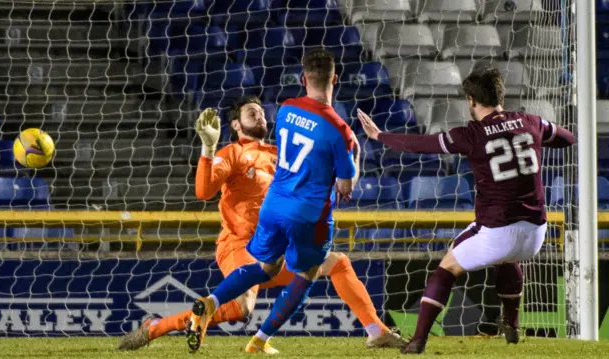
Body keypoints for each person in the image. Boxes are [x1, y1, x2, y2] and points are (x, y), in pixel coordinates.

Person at [119, 93, 403, 352]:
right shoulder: (233, 153)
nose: (260, 116)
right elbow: (204, 191)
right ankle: (155, 328)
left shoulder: (284, 155)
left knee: (338, 262)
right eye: (251, 113)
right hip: (241, 246)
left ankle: (376, 331)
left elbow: (326, 186)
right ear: (236, 125)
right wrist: (208, 147)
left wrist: (350, 160)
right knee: (243, 309)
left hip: (278, 249)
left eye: (261, 112)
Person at [356, 67, 576, 354]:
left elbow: (423, 145)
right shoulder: (530, 121)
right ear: (501, 95)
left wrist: (380, 136)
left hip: (497, 231)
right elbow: (568, 139)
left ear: (471, 100)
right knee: (509, 259)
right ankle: (511, 324)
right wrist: (536, 136)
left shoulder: (472, 134)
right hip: (536, 234)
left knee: (447, 267)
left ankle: (419, 340)